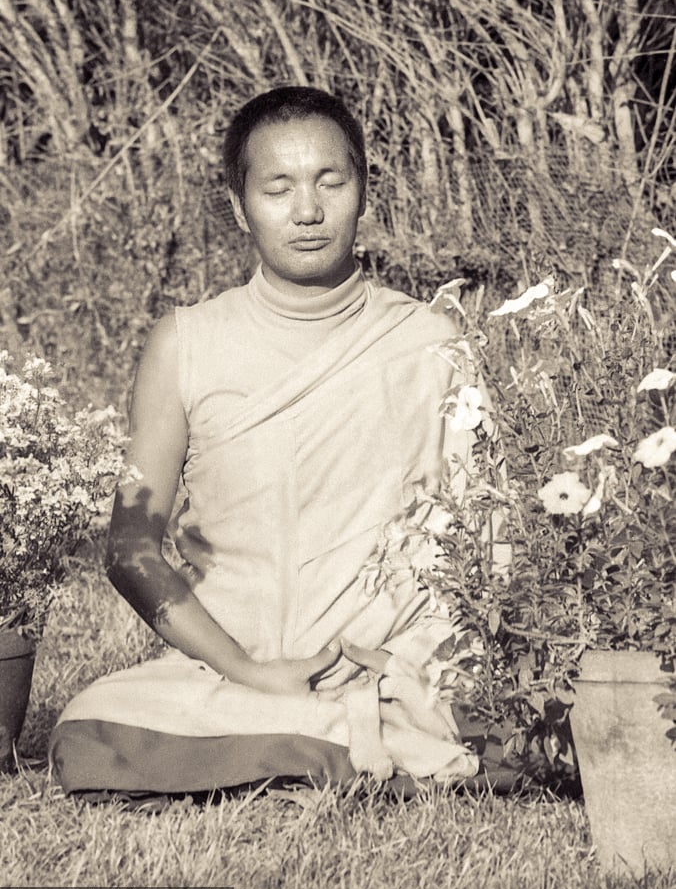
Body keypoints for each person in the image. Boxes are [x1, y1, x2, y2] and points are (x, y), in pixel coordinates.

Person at [50, 86, 504, 797]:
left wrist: (395, 652)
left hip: (393, 663)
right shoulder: (187, 343)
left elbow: (486, 535)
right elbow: (130, 547)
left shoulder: (429, 340)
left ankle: (327, 736)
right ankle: (352, 742)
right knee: (93, 724)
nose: (308, 211)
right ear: (239, 206)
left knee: (484, 708)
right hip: (232, 667)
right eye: (278, 187)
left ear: (364, 190)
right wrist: (251, 670)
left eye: (332, 181)